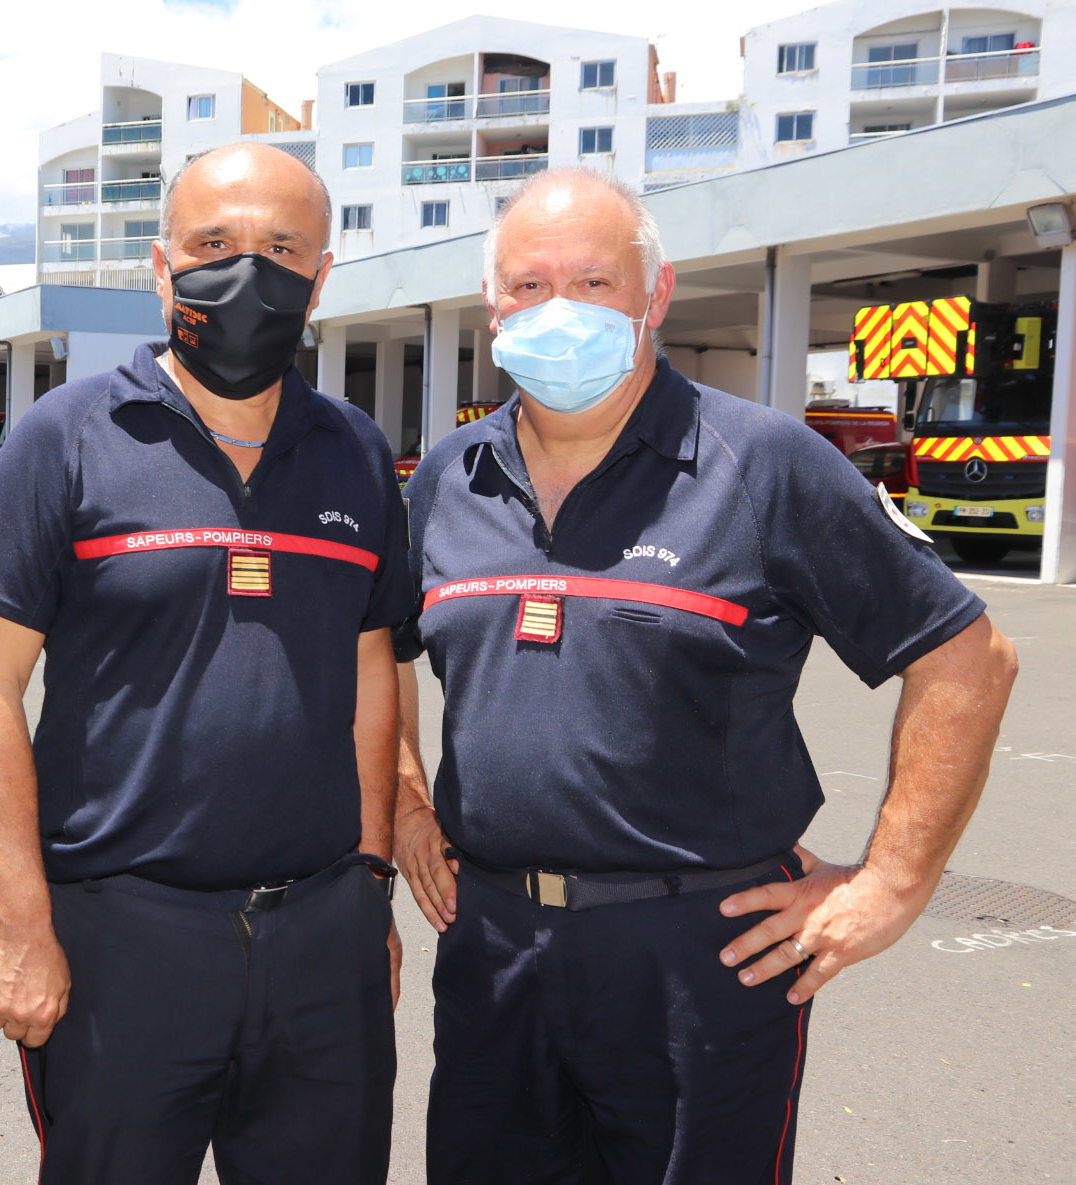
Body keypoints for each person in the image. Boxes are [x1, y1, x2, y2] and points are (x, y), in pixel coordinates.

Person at [393, 167, 1018, 1185]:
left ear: (657, 293)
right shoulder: (448, 482)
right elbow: (371, 654)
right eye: (529, 284)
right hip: (493, 944)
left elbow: (968, 658)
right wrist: (407, 806)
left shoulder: (766, 463)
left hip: (703, 956)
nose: (560, 310)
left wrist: (893, 885)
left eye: (595, 283)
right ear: (492, 304)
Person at [0, 141, 415, 1185]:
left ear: (322, 276)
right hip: (124, 941)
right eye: (214, 245)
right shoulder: (63, 438)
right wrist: (21, 924)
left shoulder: (354, 453)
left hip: (320, 937)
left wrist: (370, 889)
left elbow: (374, 671)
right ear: (162, 270)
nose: (246, 271)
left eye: (281, 247)